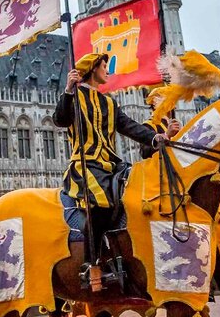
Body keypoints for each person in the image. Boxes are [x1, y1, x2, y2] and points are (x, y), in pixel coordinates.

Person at [55, 53, 169, 290]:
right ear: (93, 69)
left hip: (112, 164)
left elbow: (128, 126)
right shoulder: (74, 96)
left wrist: (154, 137)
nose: (108, 70)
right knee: (102, 203)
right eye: (104, 66)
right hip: (85, 165)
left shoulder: (109, 102)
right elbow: (61, 119)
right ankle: (91, 264)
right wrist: (67, 90)